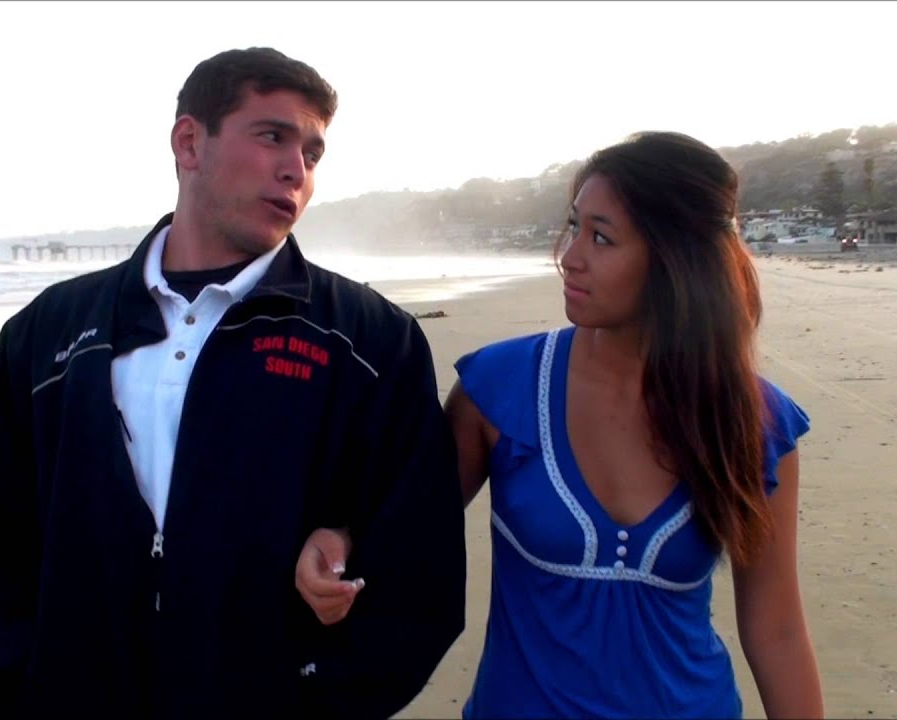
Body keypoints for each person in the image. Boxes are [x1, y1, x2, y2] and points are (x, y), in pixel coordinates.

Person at [0, 47, 466, 719]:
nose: (296, 169)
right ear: (189, 143)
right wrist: (23, 679)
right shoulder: (50, 331)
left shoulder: (369, 340)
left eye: (312, 153)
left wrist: (321, 695)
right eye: (273, 136)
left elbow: (418, 546)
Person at [297, 132, 824, 718]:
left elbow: (776, 630)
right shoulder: (500, 389)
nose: (571, 256)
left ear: (677, 262)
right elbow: (405, 521)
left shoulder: (754, 421)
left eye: (602, 237)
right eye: (575, 226)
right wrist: (342, 540)